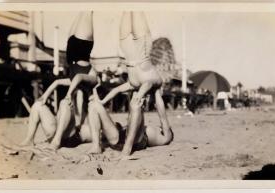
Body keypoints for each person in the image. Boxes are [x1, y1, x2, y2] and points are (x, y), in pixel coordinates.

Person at [94, 11, 172, 156]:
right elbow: (153, 95)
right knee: (130, 18)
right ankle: (123, 148)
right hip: (138, 63)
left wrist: (104, 100)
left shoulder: (140, 85)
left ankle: (120, 149)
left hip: (136, 64)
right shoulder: (148, 85)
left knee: (132, 13)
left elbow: (120, 90)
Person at [19, 11, 97, 149]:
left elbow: (78, 78)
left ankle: (56, 142)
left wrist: (68, 95)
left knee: (64, 103)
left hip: (72, 134)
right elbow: (58, 82)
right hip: (57, 128)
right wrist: (44, 96)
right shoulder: (77, 74)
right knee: (38, 105)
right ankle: (28, 140)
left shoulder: (93, 77)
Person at [87, 88, 174, 155]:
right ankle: (96, 146)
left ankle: (127, 149)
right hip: (118, 139)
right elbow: (162, 117)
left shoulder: (165, 137)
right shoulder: (154, 131)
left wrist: (156, 92)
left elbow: (163, 117)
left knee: (136, 105)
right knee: (94, 105)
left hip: (134, 143)